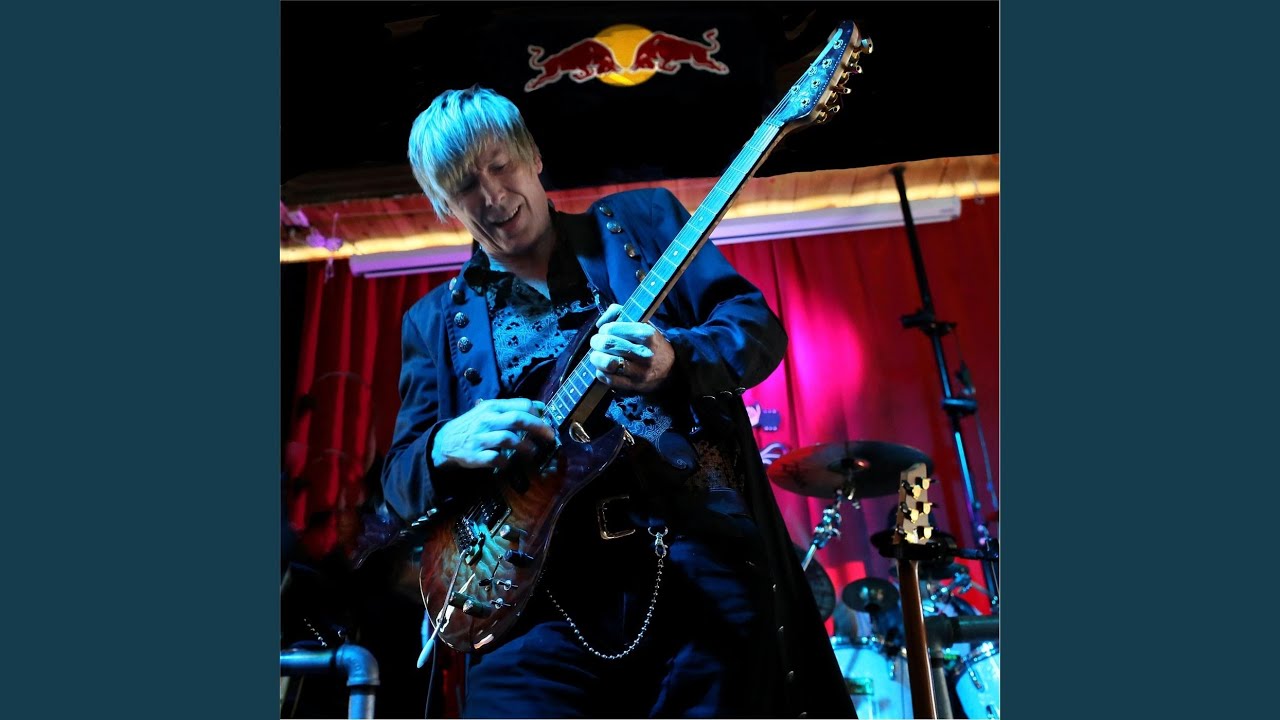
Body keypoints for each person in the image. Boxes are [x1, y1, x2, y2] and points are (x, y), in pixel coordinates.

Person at [380, 85, 854, 718]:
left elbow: (755, 330)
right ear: (444, 203)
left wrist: (674, 358)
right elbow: (397, 479)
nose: (491, 196)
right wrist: (443, 444)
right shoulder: (434, 322)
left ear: (534, 157)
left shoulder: (641, 224)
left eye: (501, 166)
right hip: (534, 602)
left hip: (683, 557)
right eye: (466, 186)